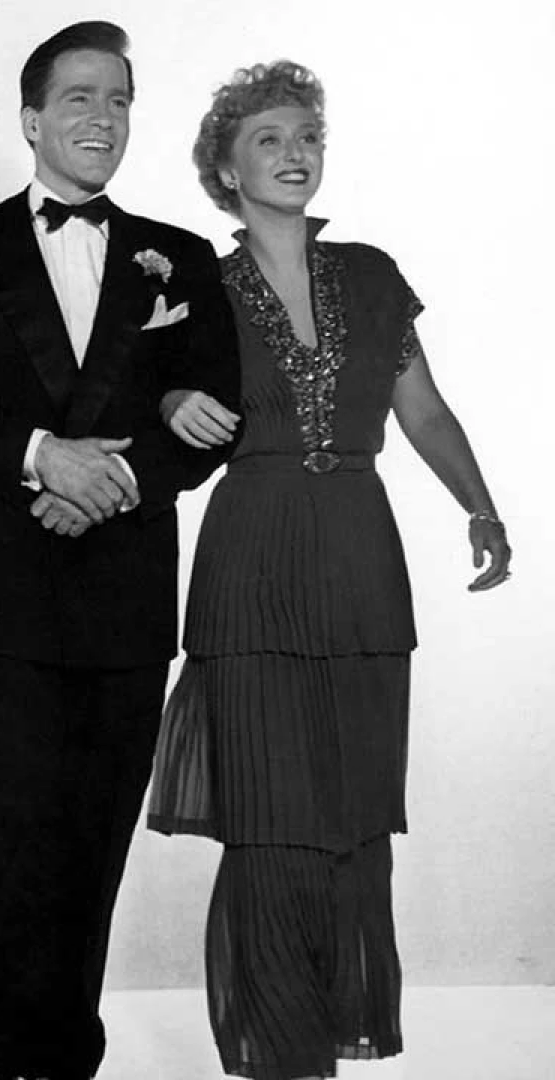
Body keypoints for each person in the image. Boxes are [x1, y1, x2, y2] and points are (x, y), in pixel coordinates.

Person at [143, 61, 513, 1080]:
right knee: (268, 818)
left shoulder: (372, 274)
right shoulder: (198, 285)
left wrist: (481, 506)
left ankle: (329, 1044)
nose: (295, 152)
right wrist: (171, 403)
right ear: (226, 168)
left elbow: (422, 410)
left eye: (308, 135)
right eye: (268, 138)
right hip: (252, 554)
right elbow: (149, 396)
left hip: (360, 556)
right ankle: (280, 1051)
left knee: (352, 814)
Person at [0, 22, 242, 1080]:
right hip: (8, 583)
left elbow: (218, 412)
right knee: (16, 817)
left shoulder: (180, 256)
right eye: (80, 97)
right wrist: (42, 457)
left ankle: (62, 1047)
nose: (103, 118)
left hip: (129, 585)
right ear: (31, 118)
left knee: (97, 825)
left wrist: (110, 484)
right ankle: (0, 1045)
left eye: (120, 99)